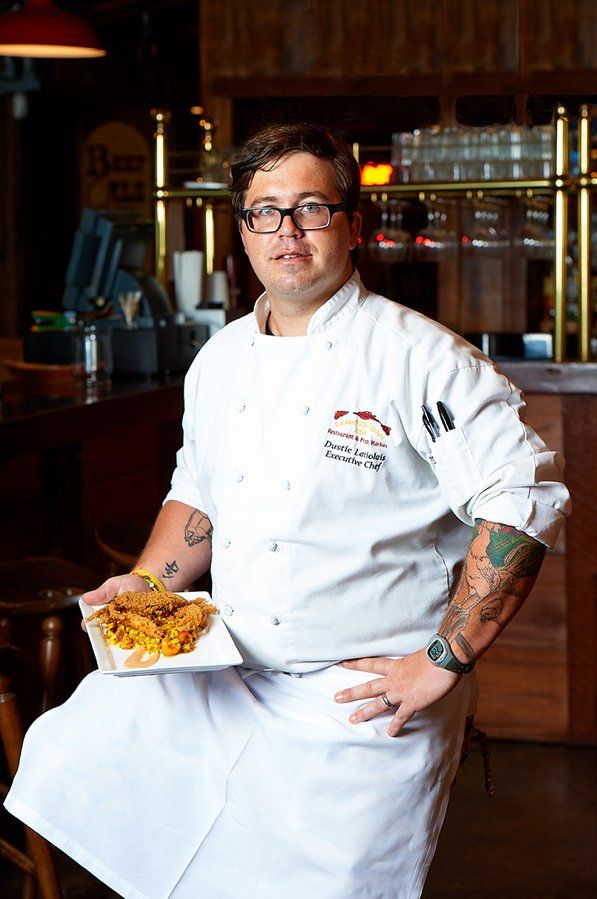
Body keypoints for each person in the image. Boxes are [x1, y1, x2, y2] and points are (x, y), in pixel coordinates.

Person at [6, 123, 570, 899]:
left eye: (311, 208)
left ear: (352, 225)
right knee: (93, 768)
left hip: (362, 700)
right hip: (230, 675)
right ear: (242, 230)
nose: (287, 231)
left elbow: (521, 500)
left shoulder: (421, 357)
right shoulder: (220, 359)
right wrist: (147, 583)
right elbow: (199, 490)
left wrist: (443, 659)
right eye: (264, 211)